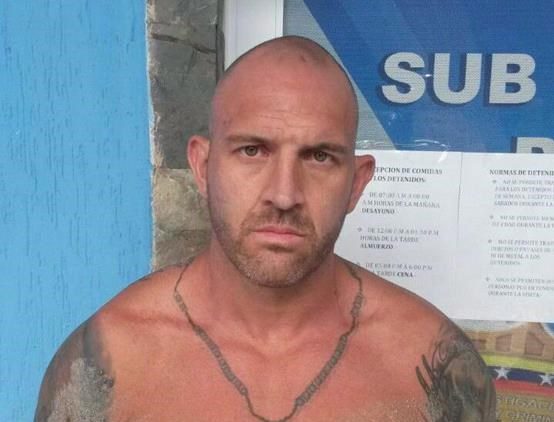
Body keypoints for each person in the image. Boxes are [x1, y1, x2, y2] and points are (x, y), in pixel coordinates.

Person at [35, 36, 496, 422]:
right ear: (202, 166)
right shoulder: (110, 361)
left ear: (356, 183)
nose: (284, 194)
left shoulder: (430, 364)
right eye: (252, 151)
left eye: (319, 157)